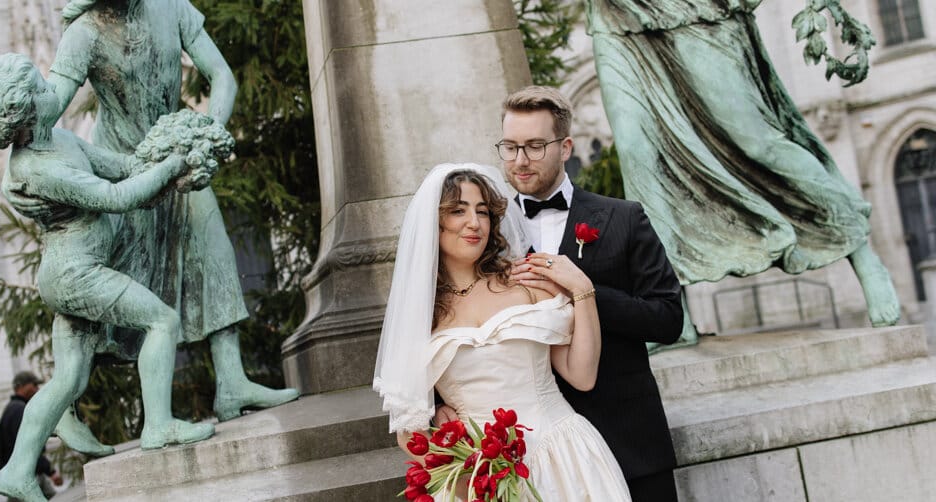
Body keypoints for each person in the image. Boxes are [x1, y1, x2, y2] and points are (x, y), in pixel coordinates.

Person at [33, 0, 299, 452]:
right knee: (110, 281)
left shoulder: (171, 6)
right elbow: (50, 108)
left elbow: (222, 76)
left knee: (214, 249)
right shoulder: (85, 33)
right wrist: (20, 119)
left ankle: (232, 381)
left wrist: (206, 135)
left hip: (177, 157)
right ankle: (64, 405)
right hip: (123, 169)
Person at [0, 53, 214, 502]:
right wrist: (171, 166)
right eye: (40, 88)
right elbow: (116, 197)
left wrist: (159, 151)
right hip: (74, 274)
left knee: (69, 378)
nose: (52, 88)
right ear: (24, 109)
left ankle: (18, 470)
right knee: (161, 321)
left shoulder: (61, 140)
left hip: (72, 271)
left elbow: (120, 169)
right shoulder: (36, 169)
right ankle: (159, 425)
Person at [584, 0, 900, 328]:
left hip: (695, 9)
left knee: (757, 142)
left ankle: (859, 246)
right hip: (615, 16)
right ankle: (668, 309)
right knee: (639, 153)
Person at [464, 85, 684, 501]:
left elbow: (669, 319)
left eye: (534, 146)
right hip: (532, 456)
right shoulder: (482, 235)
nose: (520, 160)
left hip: (628, 437)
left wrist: (585, 291)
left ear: (565, 147)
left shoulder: (624, 218)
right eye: (509, 147)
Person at [375, 163, 631, 500]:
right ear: (432, 225)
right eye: (458, 211)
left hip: (564, 457)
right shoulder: (419, 317)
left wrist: (583, 291)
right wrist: (472, 483)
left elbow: (582, 376)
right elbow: (409, 432)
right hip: (483, 479)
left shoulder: (525, 284)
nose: (474, 223)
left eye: (482, 211)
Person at [0, 372, 63, 501]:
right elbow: (28, 448)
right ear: (20, 387)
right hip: (24, 478)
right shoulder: (19, 410)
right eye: (34, 385)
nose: (37, 389)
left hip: (26, 475)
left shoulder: (13, 408)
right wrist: (51, 471)